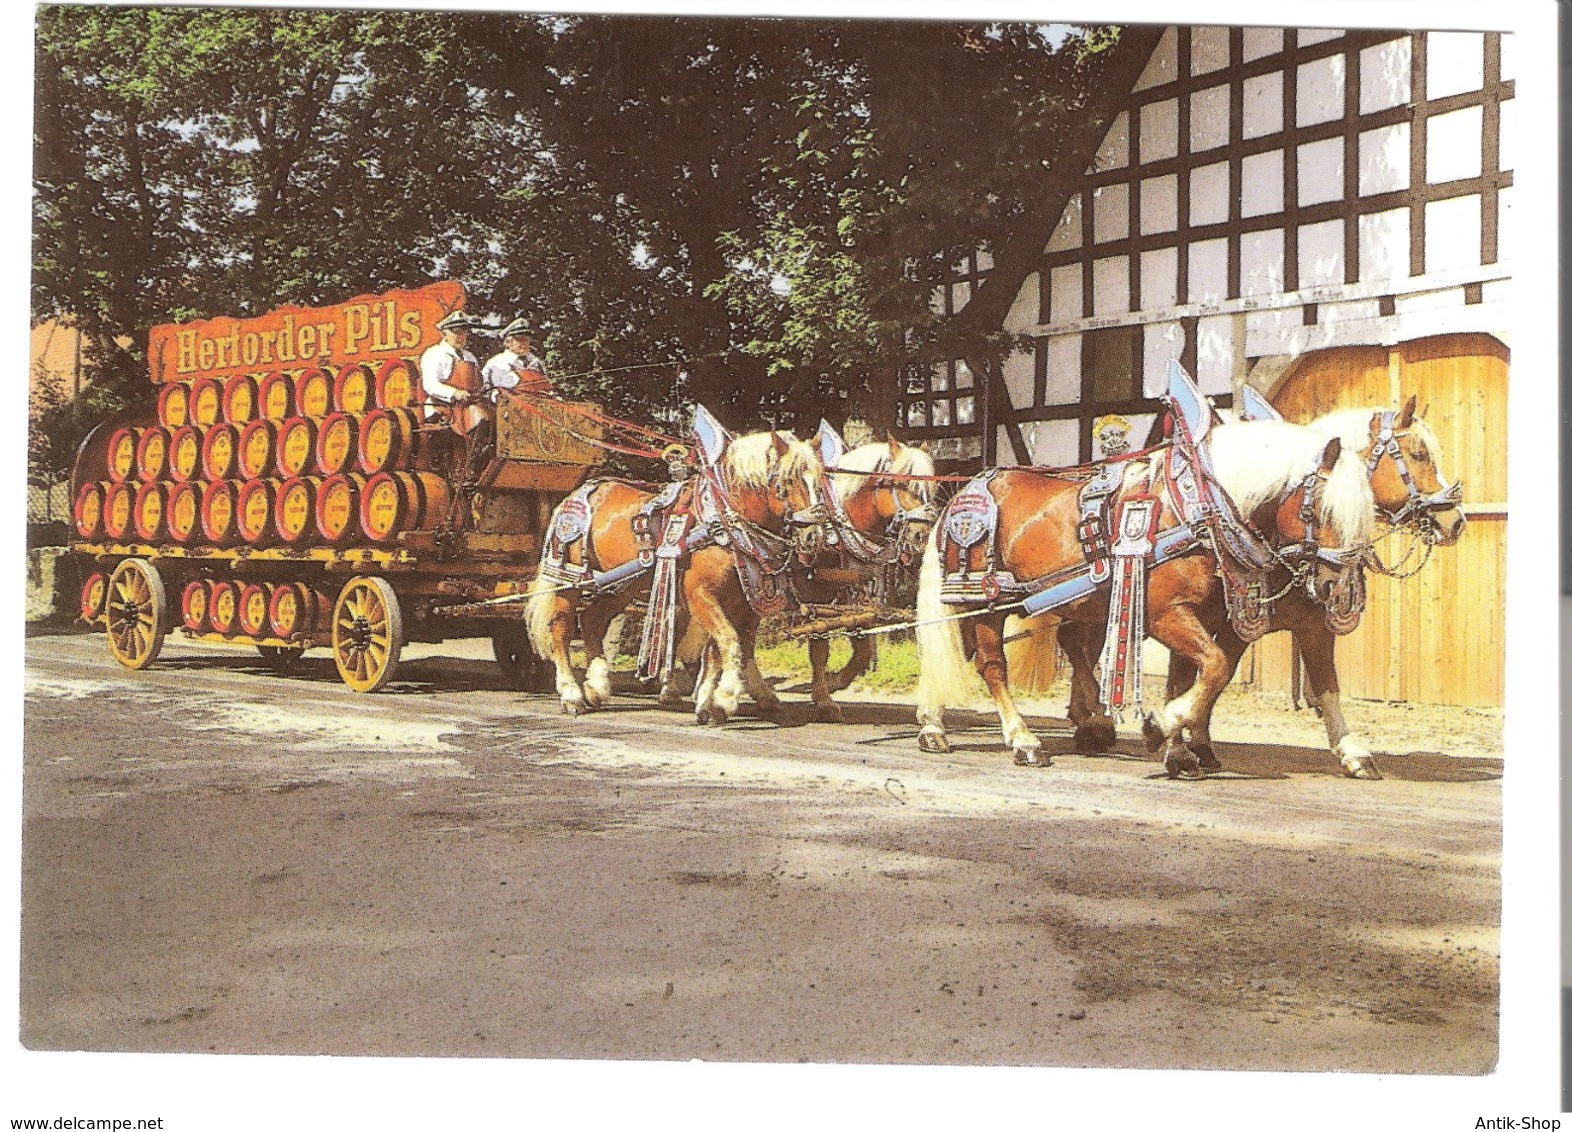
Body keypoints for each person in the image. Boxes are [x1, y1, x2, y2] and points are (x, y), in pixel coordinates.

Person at [421, 311, 484, 422]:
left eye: (464, 332)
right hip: (442, 410)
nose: (461, 336)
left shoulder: (470, 357)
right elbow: (430, 385)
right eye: (456, 332)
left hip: (470, 408)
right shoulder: (433, 354)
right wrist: (454, 393)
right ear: (444, 334)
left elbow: (479, 384)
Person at [480, 318, 553, 401]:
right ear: (508, 342)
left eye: (527, 339)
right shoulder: (496, 362)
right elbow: (486, 390)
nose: (524, 343)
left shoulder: (535, 361)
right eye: (520, 339)